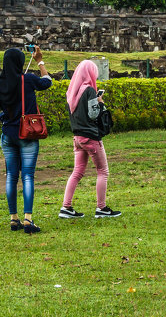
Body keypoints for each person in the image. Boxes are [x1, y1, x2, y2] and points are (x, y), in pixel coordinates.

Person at [0, 45, 52, 234]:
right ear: (21, 63)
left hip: (8, 134)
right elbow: (47, 82)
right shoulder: (28, 80)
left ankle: (13, 218)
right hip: (27, 133)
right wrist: (40, 61)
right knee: (28, 176)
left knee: (11, 177)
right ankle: (28, 219)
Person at [59, 59, 121, 219]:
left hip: (78, 137)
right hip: (91, 137)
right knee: (103, 171)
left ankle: (66, 207)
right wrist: (100, 102)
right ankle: (101, 208)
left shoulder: (72, 92)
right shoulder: (89, 91)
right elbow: (93, 114)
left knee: (77, 171)